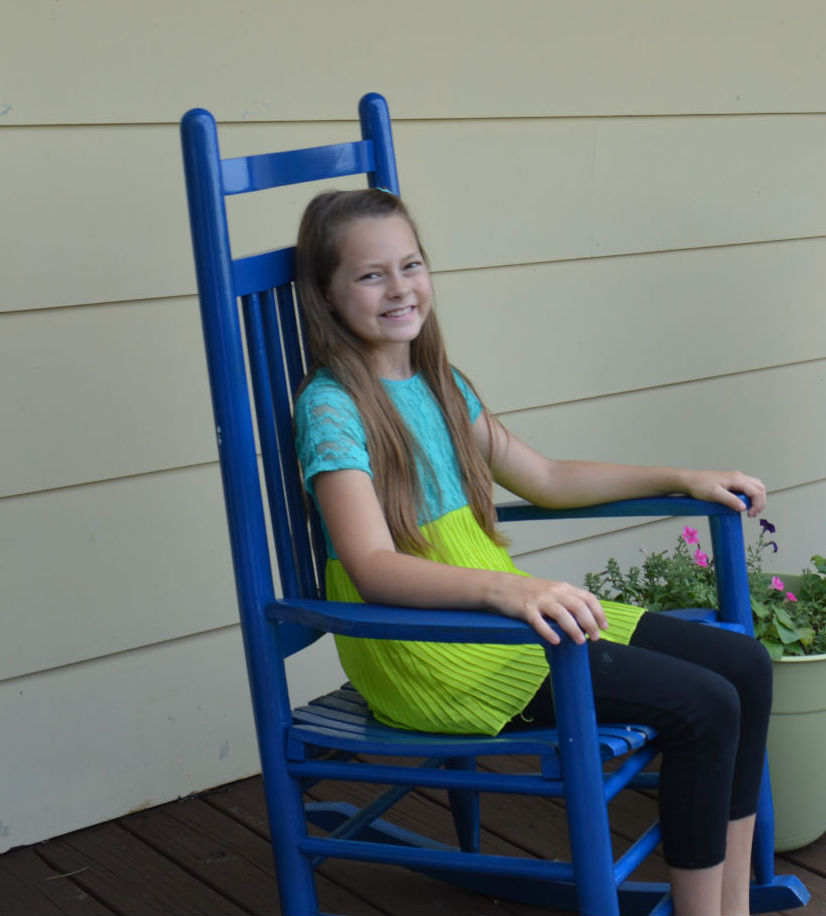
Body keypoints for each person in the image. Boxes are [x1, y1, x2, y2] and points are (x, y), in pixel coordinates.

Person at [292, 187, 771, 916]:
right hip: (432, 645)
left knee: (744, 665)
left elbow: (544, 477)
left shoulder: (439, 383)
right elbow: (372, 566)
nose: (400, 288)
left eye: (411, 264)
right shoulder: (331, 406)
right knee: (703, 705)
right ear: (325, 295)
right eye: (370, 274)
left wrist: (682, 475)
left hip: (505, 615)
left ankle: (729, 903)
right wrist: (502, 591)